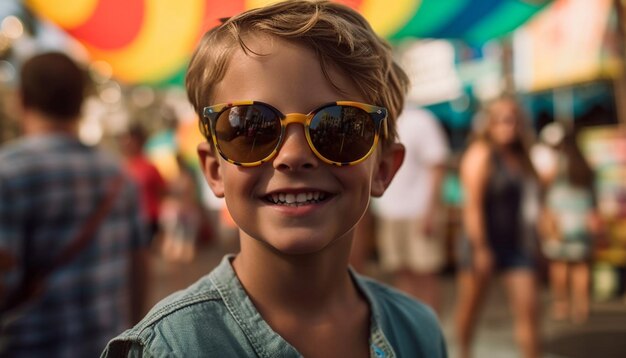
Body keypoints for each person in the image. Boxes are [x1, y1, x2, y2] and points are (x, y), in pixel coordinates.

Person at [102, 1, 447, 357]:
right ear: (213, 169)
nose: (294, 156)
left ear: (384, 169)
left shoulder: (417, 330)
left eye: (340, 127)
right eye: (251, 128)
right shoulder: (170, 348)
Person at [0, 52, 150, 356]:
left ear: (21, 100)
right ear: (81, 103)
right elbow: (138, 268)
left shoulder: (8, 174)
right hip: (104, 347)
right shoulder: (119, 175)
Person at [455, 97, 541, 358]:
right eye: (502, 118)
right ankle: (464, 352)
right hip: (482, 242)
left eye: (514, 118)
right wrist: (481, 248)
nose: (509, 124)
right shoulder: (480, 153)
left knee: (530, 309)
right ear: (489, 123)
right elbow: (472, 206)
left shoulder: (521, 157)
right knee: (471, 308)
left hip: (515, 244)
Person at [372, 106, 449, 314]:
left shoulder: (420, 119)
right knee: (402, 276)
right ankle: (411, 331)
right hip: (390, 213)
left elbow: (437, 166)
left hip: (418, 212)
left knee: (425, 277)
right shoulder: (379, 121)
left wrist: (431, 212)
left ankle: (430, 335)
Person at [537, 123, 598, 324]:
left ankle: (561, 305)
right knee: (580, 265)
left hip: (560, 220)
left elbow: (544, 188)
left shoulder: (557, 164)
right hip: (581, 220)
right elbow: (593, 193)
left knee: (560, 264)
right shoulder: (586, 163)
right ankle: (582, 307)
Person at [118, 124, 167, 244]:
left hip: (150, 219)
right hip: (128, 220)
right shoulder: (121, 167)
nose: (127, 144)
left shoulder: (149, 167)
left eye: (130, 140)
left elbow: (162, 191)